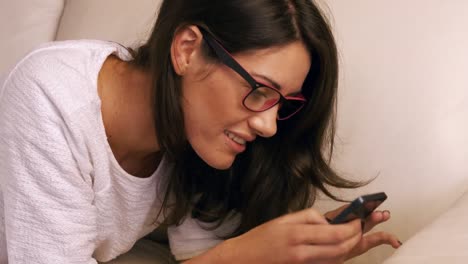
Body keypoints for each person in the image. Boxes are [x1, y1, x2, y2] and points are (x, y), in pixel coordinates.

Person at [0, 0, 401, 263]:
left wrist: (296, 250)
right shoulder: (52, 94)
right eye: (260, 90)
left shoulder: (195, 130)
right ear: (187, 49)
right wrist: (241, 255)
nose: (267, 124)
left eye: (284, 103)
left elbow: (198, 254)